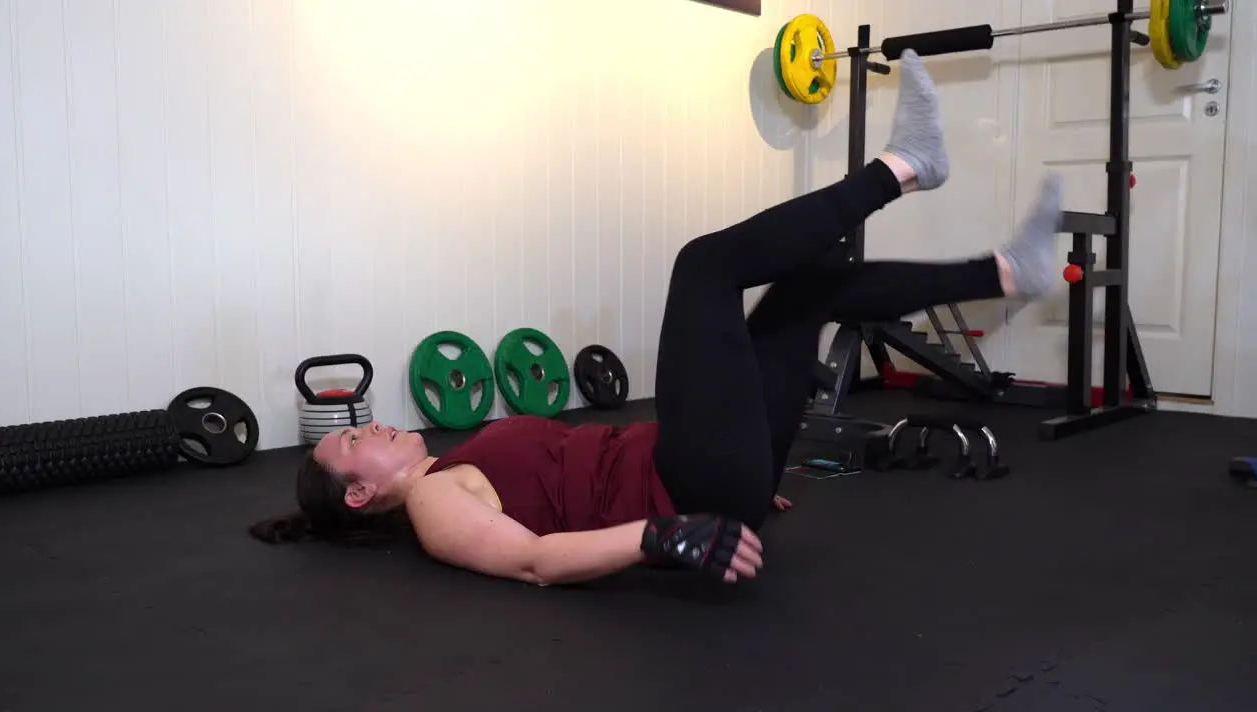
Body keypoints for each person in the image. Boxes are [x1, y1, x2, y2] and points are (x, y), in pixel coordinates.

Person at [249, 50, 1064, 587]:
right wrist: (664, 536)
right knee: (703, 267)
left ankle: (1002, 271)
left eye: (359, 427)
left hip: (714, 474)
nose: (376, 426)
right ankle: (905, 166)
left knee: (805, 295)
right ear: (360, 495)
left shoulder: (453, 461)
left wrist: (735, 474)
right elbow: (532, 560)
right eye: (355, 441)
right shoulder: (432, 508)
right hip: (690, 484)